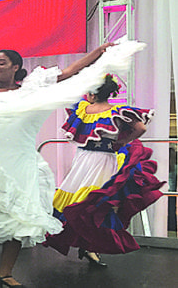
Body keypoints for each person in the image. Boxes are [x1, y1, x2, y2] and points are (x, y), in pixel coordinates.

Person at [0, 40, 146, 287]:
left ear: (15, 67)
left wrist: (98, 53)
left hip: (19, 163)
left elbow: (69, 73)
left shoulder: (30, 90)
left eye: (1, 63)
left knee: (20, 217)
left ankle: (4, 272)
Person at [44, 74, 164, 264]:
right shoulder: (116, 111)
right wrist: (123, 141)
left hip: (83, 159)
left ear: (92, 92)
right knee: (95, 203)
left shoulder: (83, 109)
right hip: (104, 158)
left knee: (79, 199)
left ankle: (85, 245)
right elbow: (141, 128)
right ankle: (89, 247)